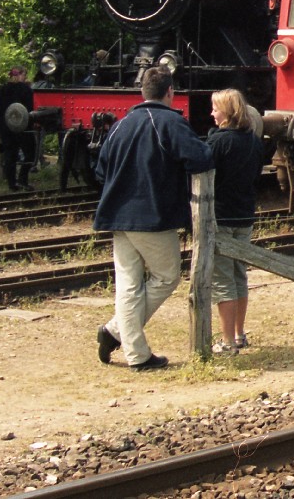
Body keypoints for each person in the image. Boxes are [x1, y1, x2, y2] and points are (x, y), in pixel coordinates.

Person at [93, 66, 213, 372]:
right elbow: (200, 158)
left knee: (128, 284)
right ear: (170, 92)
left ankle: (133, 350)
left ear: (142, 91)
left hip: (116, 215)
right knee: (166, 276)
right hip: (152, 216)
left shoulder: (120, 126)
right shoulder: (170, 122)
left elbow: (100, 171)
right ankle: (116, 333)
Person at [207, 89, 263, 355]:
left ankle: (227, 341)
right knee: (240, 274)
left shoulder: (218, 142)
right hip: (245, 214)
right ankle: (239, 333)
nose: (212, 113)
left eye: (215, 109)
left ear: (227, 112)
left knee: (222, 280)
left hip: (222, 215)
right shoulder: (253, 142)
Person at [0, 67, 35, 191]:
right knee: (30, 153)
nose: (25, 77)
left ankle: (12, 183)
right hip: (24, 127)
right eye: (24, 75)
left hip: (6, 127)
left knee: (10, 156)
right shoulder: (26, 90)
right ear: (19, 76)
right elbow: (30, 108)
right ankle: (23, 178)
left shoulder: (2, 90)